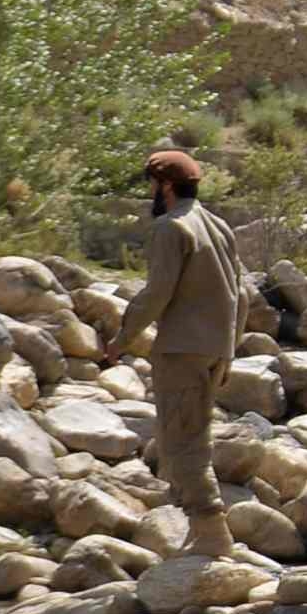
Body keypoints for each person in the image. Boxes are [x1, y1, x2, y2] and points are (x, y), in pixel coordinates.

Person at [109, 147, 244, 553]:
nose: (151, 192)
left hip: (182, 348)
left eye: (152, 184)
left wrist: (122, 338)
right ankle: (196, 529)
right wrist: (230, 349)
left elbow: (157, 293)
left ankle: (211, 529)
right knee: (193, 435)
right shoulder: (219, 226)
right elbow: (241, 294)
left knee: (182, 441)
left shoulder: (171, 228)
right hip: (215, 348)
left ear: (165, 185)